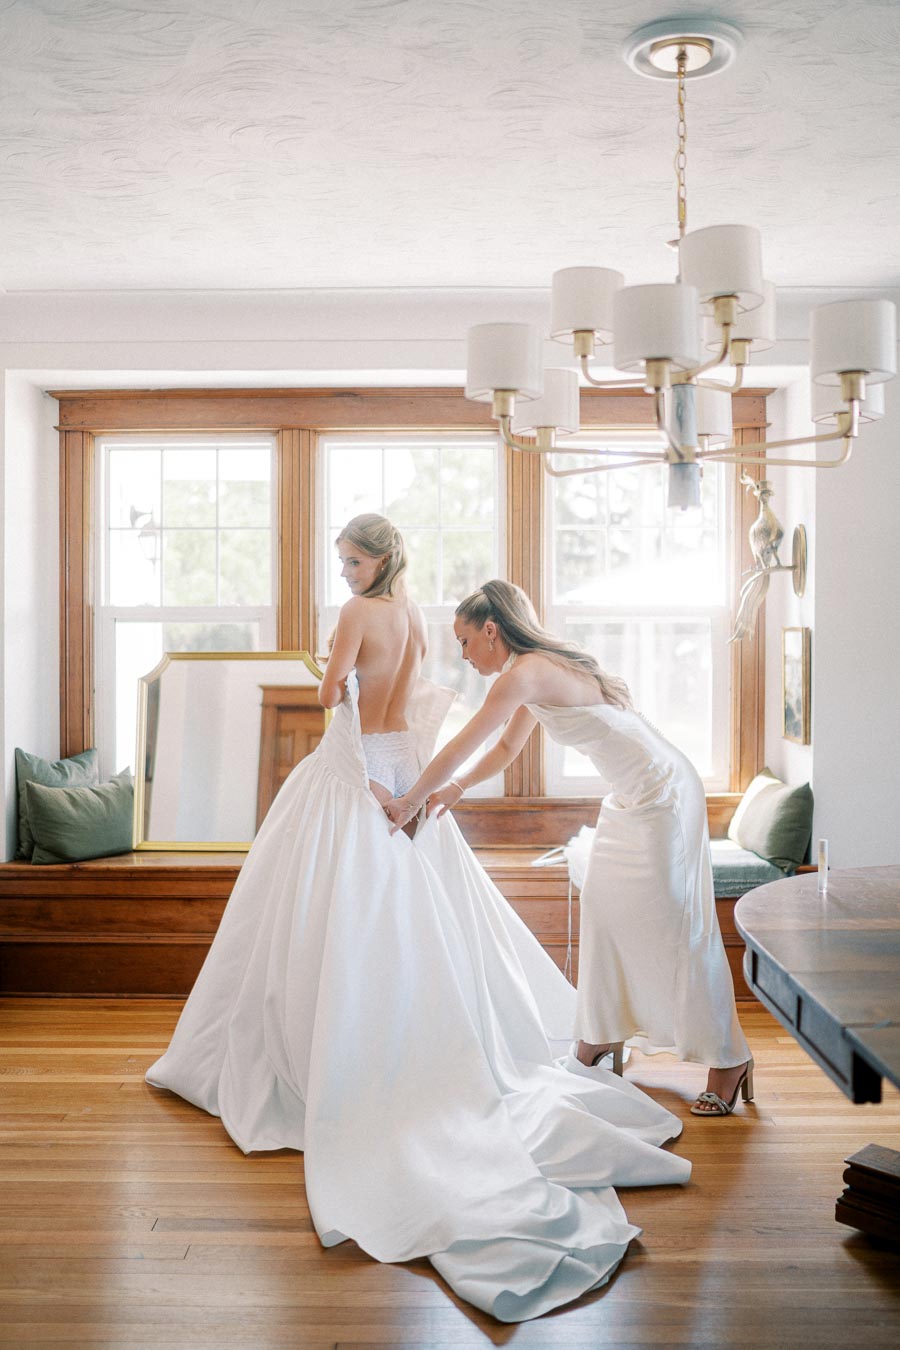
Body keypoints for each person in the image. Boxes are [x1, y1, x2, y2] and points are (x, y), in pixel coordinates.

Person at [145, 520, 691, 1324]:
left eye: (352, 560)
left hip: (361, 768)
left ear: (376, 561)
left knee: (329, 910)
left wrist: (331, 666)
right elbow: (422, 704)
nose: (344, 570)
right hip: (401, 759)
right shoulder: (415, 619)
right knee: (413, 912)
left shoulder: (360, 611)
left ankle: (331, 1045)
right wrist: (421, 788)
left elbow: (331, 693)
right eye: (341, 561)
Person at [385, 579, 753, 1118]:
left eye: (464, 642)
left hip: (663, 794)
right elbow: (507, 746)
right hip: (630, 798)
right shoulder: (528, 673)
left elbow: (466, 742)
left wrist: (409, 801)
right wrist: (454, 791)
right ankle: (600, 1036)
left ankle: (728, 1060)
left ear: (491, 630)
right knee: (603, 907)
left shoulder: (527, 671)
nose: (463, 656)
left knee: (677, 924)